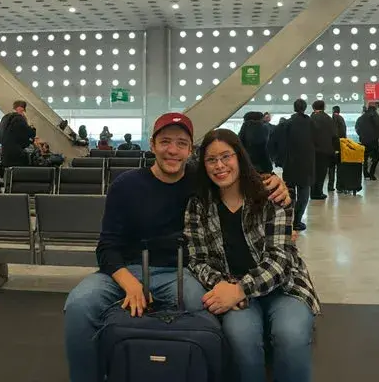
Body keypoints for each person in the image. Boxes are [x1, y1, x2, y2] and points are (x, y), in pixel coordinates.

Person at [63, 113, 291, 382]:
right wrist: (131, 284)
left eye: (181, 143)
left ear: (190, 149)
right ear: (152, 144)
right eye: (165, 142)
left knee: (205, 307)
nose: (173, 150)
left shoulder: (200, 181)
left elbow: (238, 178)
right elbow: (107, 246)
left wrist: (273, 181)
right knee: (79, 305)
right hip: (126, 271)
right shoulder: (126, 185)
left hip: (182, 271)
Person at [185, 128, 320, 382]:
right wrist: (224, 287)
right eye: (211, 160)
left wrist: (241, 289)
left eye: (226, 156)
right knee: (240, 336)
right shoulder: (199, 204)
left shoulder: (271, 194)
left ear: (239, 157)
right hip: (232, 286)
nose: (220, 166)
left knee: (290, 335)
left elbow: (281, 259)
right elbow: (197, 260)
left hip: (285, 287)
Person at [272, 100, 314, 231]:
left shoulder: (286, 124)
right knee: (304, 191)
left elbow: (274, 140)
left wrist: (278, 158)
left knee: (289, 191)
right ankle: (297, 221)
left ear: (294, 108)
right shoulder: (311, 123)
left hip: (290, 163)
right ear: (305, 108)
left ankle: (288, 220)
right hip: (307, 162)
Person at [310, 100, 338, 199]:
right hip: (325, 150)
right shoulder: (328, 119)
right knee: (321, 172)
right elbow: (334, 135)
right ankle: (318, 192)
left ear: (313, 107)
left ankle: (313, 192)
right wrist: (335, 149)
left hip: (312, 150)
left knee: (313, 171)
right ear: (324, 107)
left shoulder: (311, 118)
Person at [0, 100, 36, 173]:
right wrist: (32, 128)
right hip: (17, 156)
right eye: (23, 110)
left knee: (8, 177)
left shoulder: (4, 118)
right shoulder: (20, 119)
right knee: (19, 177)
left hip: (5, 155)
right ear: (21, 109)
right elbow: (30, 135)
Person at [355, 105, 379, 181]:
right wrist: (377, 136)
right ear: (374, 109)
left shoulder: (361, 117)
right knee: (376, 158)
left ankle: (365, 173)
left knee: (365, 158)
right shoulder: (375, 116)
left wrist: (361, 135)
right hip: (373, 141)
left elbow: (357, 128)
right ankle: (371, 174)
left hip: (364, 141)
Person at [329, 106, 347, 191]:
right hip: (340, 146)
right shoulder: (341, 119)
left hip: (332, 146)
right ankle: (339, 186)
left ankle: (330, 186)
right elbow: (343, 133)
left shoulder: (332, 119)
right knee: (340, 167)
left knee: (331, 167)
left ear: (333, 111)